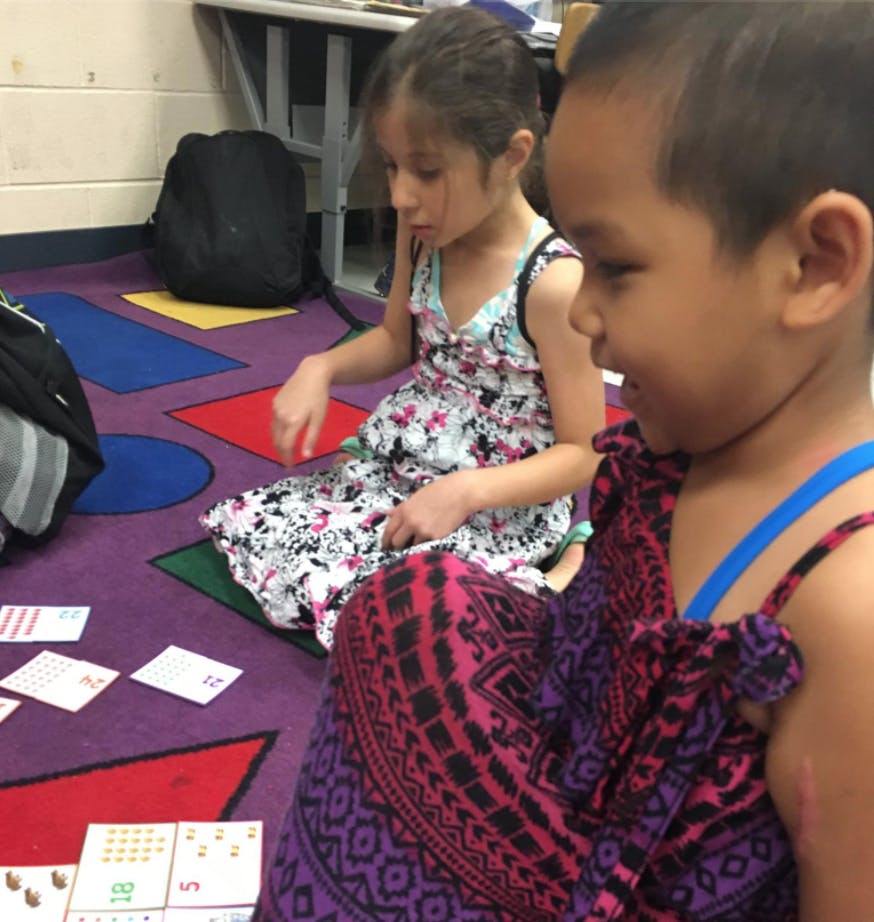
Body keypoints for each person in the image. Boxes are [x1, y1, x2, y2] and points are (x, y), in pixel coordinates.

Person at [250, 2, 874, 919]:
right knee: (402, 608)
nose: (582, 313)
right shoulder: (675, 449)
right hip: (574, 763)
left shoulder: (849, 610)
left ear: (815, 265)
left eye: (612, 267)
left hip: (612, 883)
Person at [201, 6, 603, 650]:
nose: (399, 196)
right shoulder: (425, 237)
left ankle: (562, 569)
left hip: (497, 499)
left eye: (427, 171)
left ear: (511, 156)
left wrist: (467, 491)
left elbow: (585, 452)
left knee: (407, 613)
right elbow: (397, 340)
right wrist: (321, 367)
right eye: (391, 166)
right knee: (267, 530)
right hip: (411, 459)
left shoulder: (553, 283)